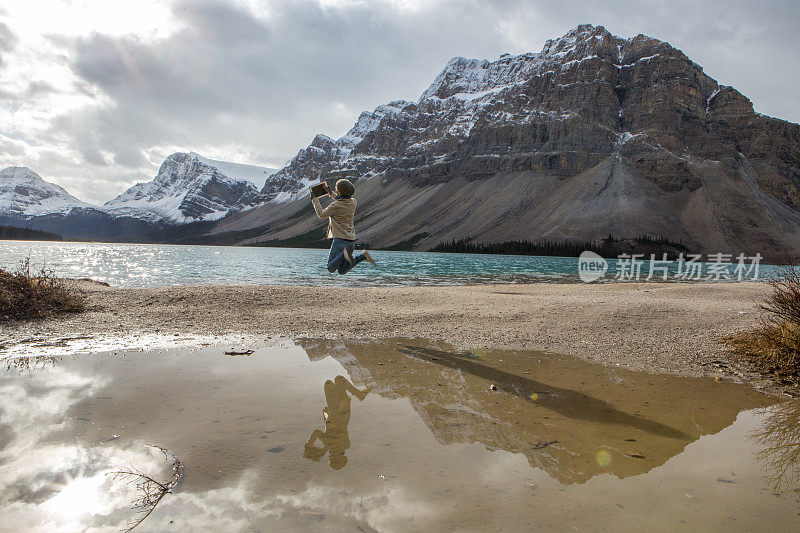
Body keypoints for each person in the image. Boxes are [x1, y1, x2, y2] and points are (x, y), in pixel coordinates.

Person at [303, 375, 372, 470]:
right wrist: (310, 444)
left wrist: (326, 417)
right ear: (334, 457)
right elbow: (317, 432)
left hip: (344, 413)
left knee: (338, 380)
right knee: (328, 384)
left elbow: (333, 431)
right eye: (331, 457)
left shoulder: (346, 445)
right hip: (337, 411)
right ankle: (359, 394)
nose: (330, 456)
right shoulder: (329, 445)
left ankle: (359, 394)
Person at [311, 178, 377, 274]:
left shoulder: (335, 205)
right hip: (351, 242)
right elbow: (343, 199)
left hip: (339, 241)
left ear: (339, 191)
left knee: (330, 268)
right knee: (342, 271)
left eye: (336, 189)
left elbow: (321, 214)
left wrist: (315, 199)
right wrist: (331, 193)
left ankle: (344, 254)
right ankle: (362, 257)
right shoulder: (353, 202)